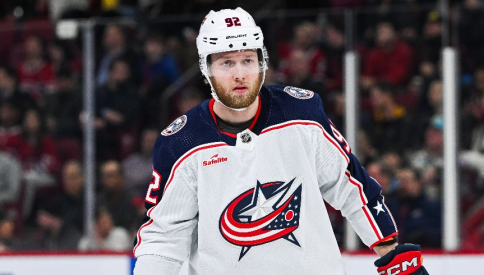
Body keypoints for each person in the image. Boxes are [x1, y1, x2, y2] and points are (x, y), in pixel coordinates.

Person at [133, 8, 428, 275]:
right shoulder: (181, 142)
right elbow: (164, 237)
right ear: (206, 68)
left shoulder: (302, 113)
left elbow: (350, 185)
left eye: (248, 60)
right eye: (226, 63)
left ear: (262, 63)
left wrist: (392, 254)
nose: (239, 74)